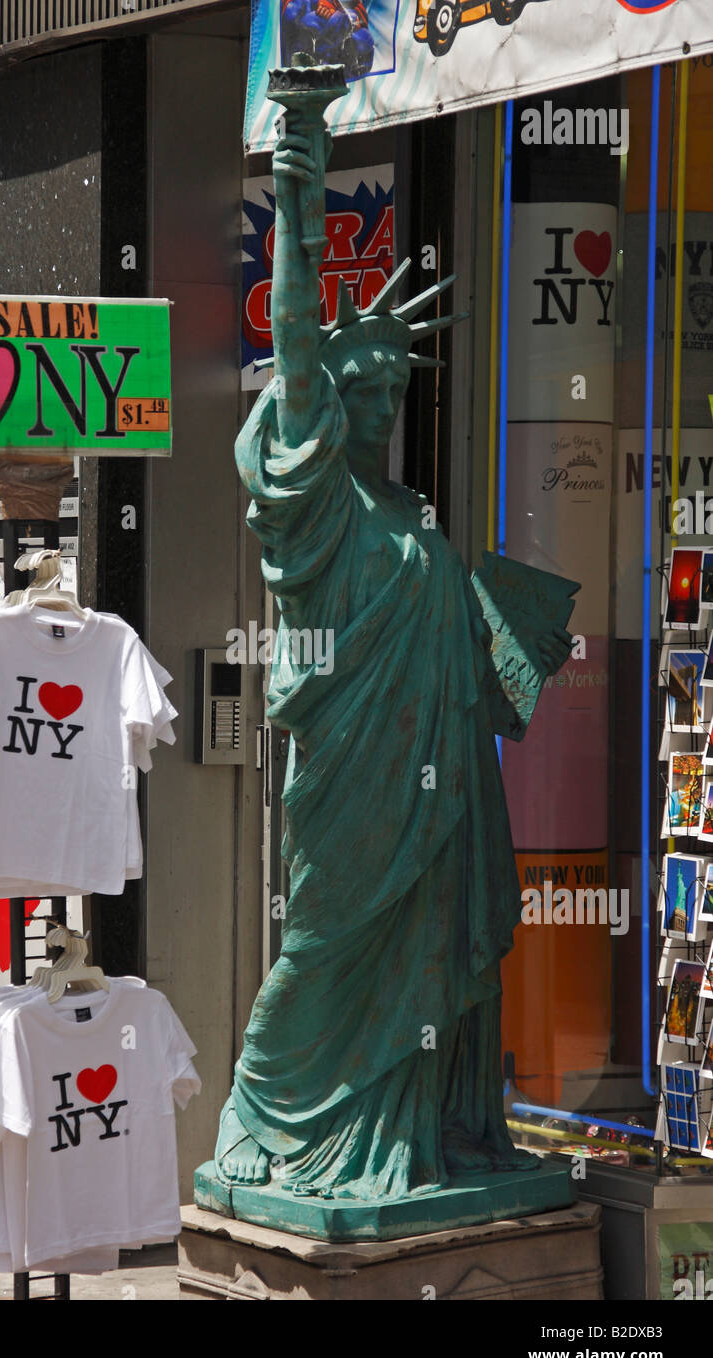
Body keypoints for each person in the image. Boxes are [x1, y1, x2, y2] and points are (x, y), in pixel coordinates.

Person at [213, 105, 571, 1200]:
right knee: (320, 944)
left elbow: (458, 647)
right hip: (349, 787)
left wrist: (508, 641)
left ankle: (417, 1136)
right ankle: (261, 1113)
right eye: (352, 389)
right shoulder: (314, 499)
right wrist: (299, 164)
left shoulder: (409, 509)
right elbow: (290, 332)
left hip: (440, 787)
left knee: (424, 953)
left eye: (389, 391)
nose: (374, 407)